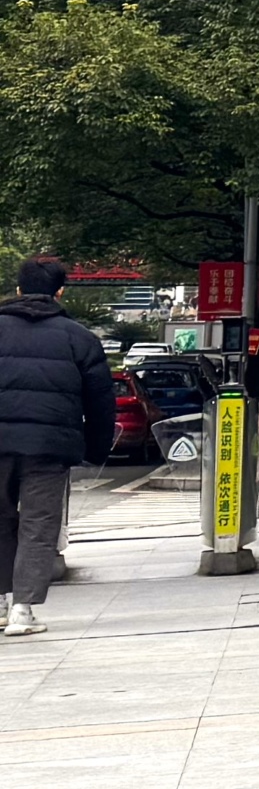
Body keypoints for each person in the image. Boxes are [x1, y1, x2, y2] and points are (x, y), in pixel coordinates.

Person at [0, 259, 112, 636]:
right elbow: (100, 401)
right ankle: (22, 611)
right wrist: (97, 450)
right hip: (49, 448)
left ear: (18, 290)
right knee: (39, 523)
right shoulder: (79, 338)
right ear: (60, 292)